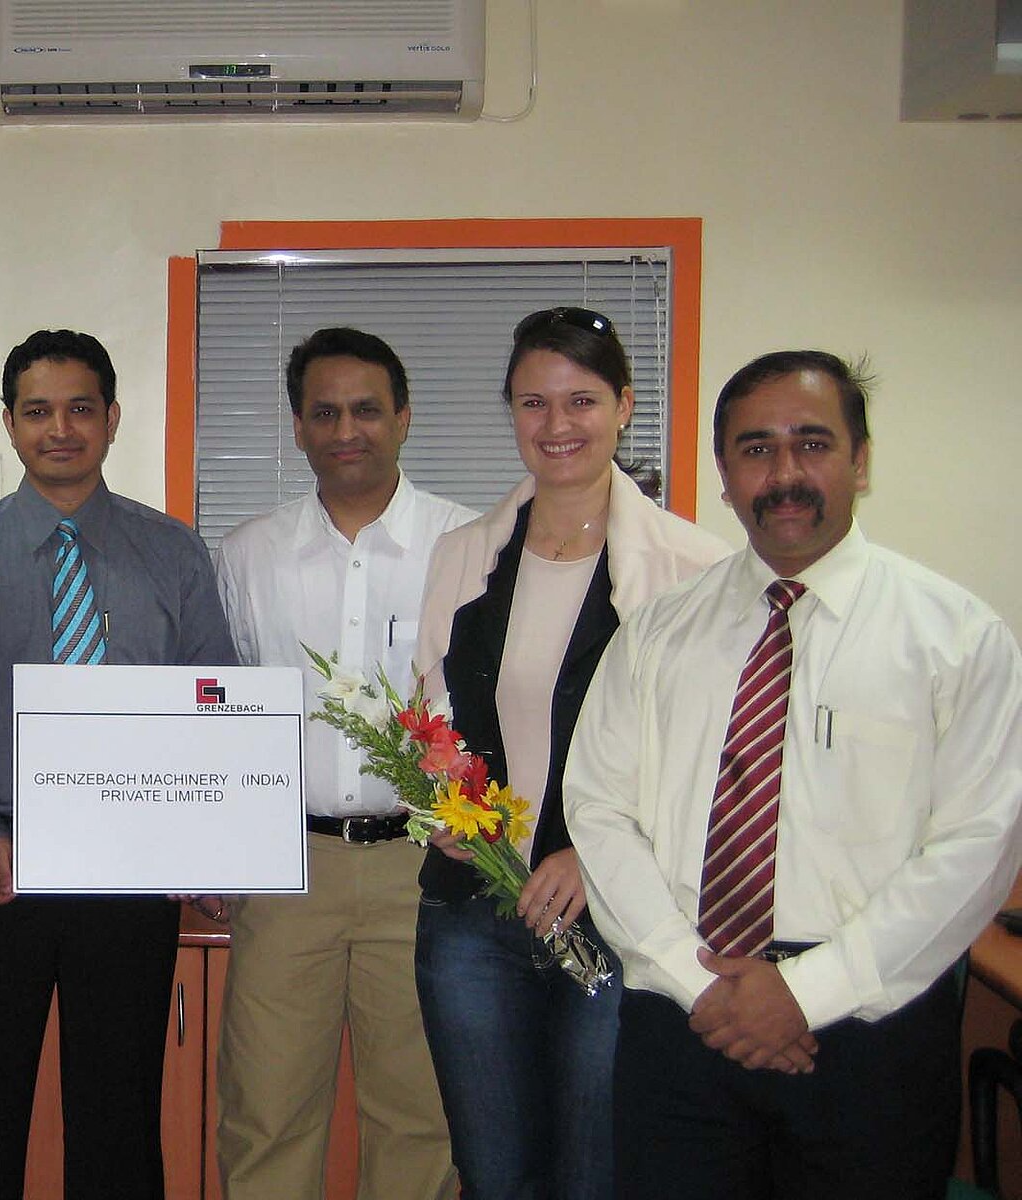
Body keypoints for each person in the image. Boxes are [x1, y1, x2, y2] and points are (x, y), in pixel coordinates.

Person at [564, 350, 1022, 1200]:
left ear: (861, 459)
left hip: (868, 1032)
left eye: (812, 443)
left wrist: (809, 992)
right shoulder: (658, 632)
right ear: (724, 472)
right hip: (683, 1022)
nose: (784, 474)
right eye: (756, 448)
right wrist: (697, 981)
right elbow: (598, 809)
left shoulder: (957, 638)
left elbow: (978, 844)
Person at [411, 307, 729, 1200]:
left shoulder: (695, 567)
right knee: (494, 1174)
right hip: (474, 916)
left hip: (619, 919)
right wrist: (443, 806)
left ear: (624, 405)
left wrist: (595, 852)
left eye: (582, 400)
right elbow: (430, 712)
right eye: (533, 403)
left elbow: (706, 760)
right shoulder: (465, 554)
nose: (557, 425)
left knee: (598, 1171)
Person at [0, 330, 236, 1200]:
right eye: (37, 411)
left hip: (130, 872)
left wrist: (202, 839)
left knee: (118, 1118)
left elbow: (215, 703)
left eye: (79, 409)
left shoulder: (173, 551)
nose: (59, 429)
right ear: (9, 424)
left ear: (111, 418)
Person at [213, 326, 473, 1200]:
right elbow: (225, 712)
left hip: (426, 865)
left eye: (366, 410)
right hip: (290, 867)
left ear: (403, 417)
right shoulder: (247, 553)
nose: (345, 430)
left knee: (420, 1117)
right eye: (323, 413)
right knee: (266, 1110)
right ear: (298, 427)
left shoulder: (467, 545)